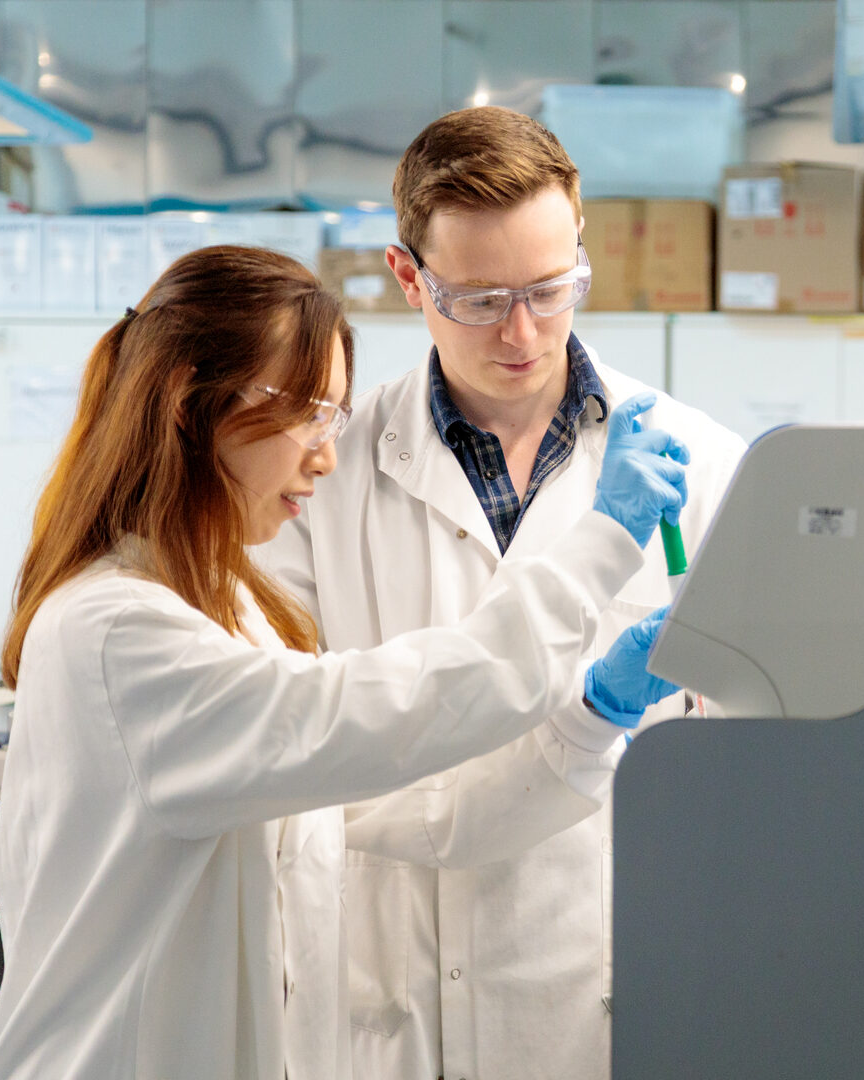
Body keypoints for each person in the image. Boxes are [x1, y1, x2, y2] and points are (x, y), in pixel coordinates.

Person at [0, 245, 690, 1080]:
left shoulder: (232, 614)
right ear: (186, 400)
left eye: (335, 418)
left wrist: (592, 715)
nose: (326, 455)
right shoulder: (116, 635)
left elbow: (428, 812)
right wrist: (603, 546)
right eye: (307, 413)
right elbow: (385, 709)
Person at [256, 107, 747, 1080]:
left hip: (600, 996)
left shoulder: (704, 466)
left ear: (579, 253)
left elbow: (744, 761)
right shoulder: (320, 477)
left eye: (549, 289)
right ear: (409, 278)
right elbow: (287, 760)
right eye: (479, 300)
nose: (522, 332)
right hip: (386, 997)